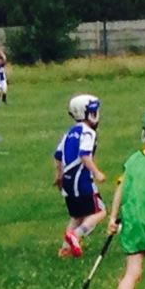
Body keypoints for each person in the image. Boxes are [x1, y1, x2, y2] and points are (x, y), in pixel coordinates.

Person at [103, 109, 145, 289]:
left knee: (133, 270)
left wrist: (113, 218)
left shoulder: (133, 160)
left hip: (135, 222)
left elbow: (120, 189)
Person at [54, 94, 107, 258]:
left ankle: (65, 249)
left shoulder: (70, 132)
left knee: (77, 215)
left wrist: (59, 176)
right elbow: (85, 155)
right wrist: (96, 172)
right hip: (81, 180)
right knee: (100, 212)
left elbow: (57, 155)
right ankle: (76, 235)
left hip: (68, 182)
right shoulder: (88, 133)